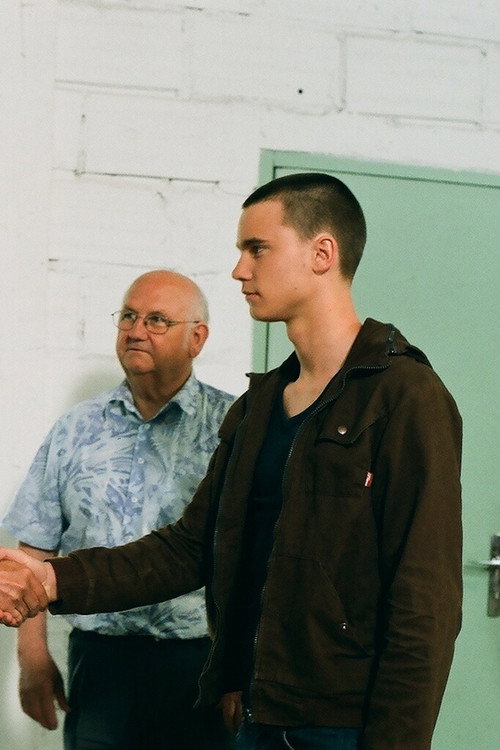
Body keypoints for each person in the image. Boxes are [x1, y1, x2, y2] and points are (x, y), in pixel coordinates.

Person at [0, 174, 463, 750]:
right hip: (255, 719)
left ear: (322, 253)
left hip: (343, 728)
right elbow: (191, 547)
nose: (240, 270)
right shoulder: (259, 406)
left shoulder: (405, 396)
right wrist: (52, 578)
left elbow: (424, 604)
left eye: (257, 249)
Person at [1, 269, 235, 750]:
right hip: (99, 664)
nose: (135, 330)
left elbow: (257, 555)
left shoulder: (232, 428)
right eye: (128, 316)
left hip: (199, 665)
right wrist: (32, 655)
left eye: (156, 320)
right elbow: (35, 546)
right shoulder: (76, 429)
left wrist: (242, 668)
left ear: (197, 338)